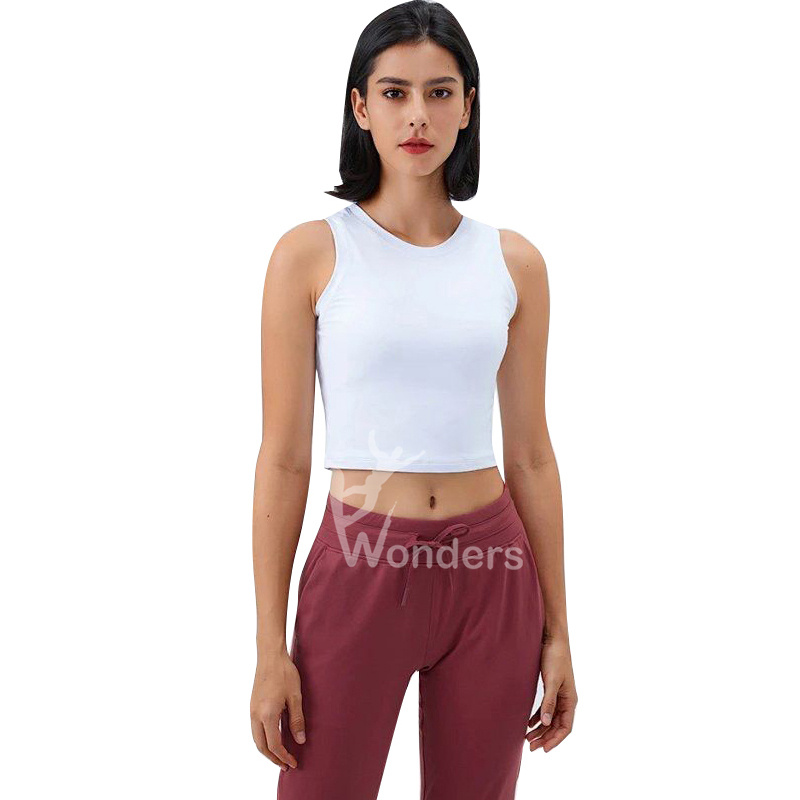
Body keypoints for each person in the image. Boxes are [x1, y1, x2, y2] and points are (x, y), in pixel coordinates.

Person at [251, 2, 577, 797]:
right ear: (360, 107)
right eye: (394, 92)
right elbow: (285, 458)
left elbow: (531, 454)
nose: (418, 115)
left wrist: (560, 630)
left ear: (468, 106)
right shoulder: (310, 255)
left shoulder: (514, 264)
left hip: (493, 568)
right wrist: (268, 648)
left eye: (440, 92)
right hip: (359, 566)